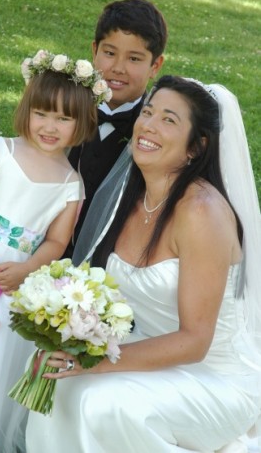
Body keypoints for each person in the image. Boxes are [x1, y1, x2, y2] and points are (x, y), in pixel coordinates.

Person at [25, 76, 261, 452]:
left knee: (103, 404)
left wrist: (94, 363)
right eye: (148, 112)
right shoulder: (133, 195)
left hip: (212, 377)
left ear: (195, 147)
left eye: (169, 120)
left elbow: (195, 342)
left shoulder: (202, 213)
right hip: (148, 351)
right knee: (53, 375)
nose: (148, 125)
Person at [0, 49, 111, 453]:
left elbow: (56, 240)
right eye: (42, 113)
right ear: (26, 110)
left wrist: (29, 268)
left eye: (64, 118)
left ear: (81, 123)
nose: (50, 126)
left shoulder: (72, 185)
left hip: (9, 277)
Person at [66, 0, 167, 255]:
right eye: (109, 53)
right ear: (94, 50)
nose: (118, 68)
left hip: (110, 256)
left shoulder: (154, 134)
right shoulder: (64, 109)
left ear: (155, 66)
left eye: (134, 59)